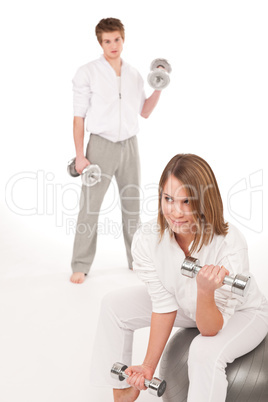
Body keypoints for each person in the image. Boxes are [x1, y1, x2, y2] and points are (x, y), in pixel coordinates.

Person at [89, 154, 268, 402]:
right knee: (114, 305)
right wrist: (148, 367)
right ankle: (123, 392)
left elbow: (209, 329)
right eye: (168, 199)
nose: (176, 212)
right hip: (187, 303)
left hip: (242, 313)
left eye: (187, 201)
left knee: (203, 351)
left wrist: (205, 291)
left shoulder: (229, 244)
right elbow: (163, 304)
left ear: (204, 201)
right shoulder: (149, 239)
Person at [70, 18, 162, 284]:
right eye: (107, 41)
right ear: (100, 43)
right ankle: (80, 264)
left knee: (132, 206)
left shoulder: (133, 74)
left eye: (117, 39)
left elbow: (144, 111)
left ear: (123, 39)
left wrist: (158, 87)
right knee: (90, 208)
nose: (113, 45)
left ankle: (137, 261)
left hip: (130, 146)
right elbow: (78, 118)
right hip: (100, 146)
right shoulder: (87, 72)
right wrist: (80, 155)